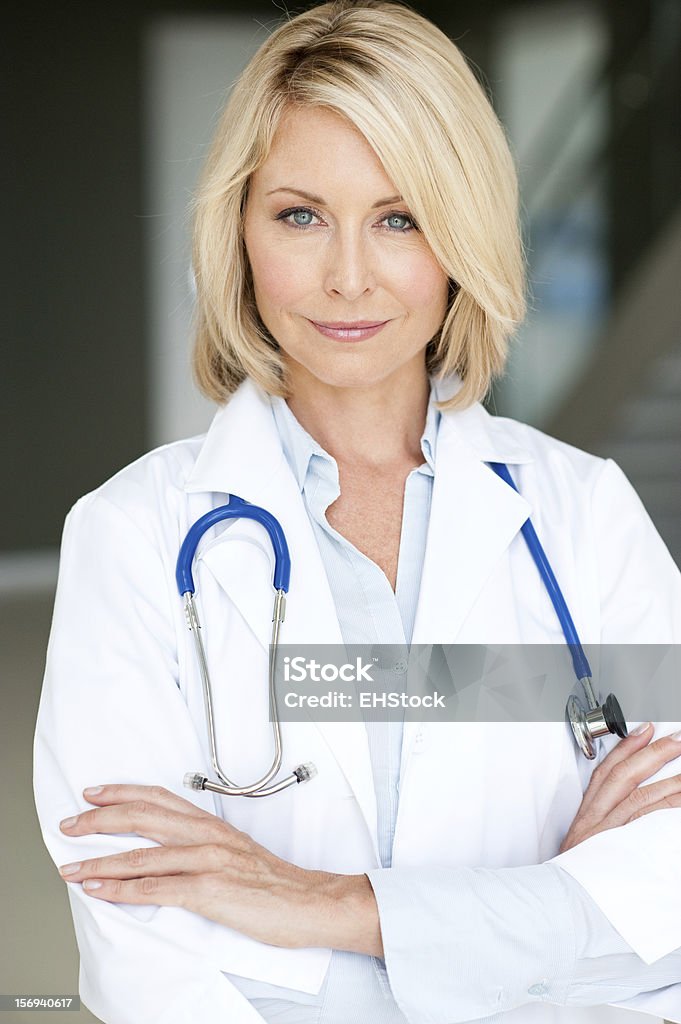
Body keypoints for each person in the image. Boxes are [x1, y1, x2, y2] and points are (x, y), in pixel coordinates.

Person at [33, 2, 681, 1022]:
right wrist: (532, 925)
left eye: (400, 217)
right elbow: (147, 946)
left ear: (460, 235)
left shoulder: (582, 515)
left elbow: (666, 907)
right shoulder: (133, 535)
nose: (347, 275)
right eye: (300, 215)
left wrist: (325, 908)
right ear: (239, 227)